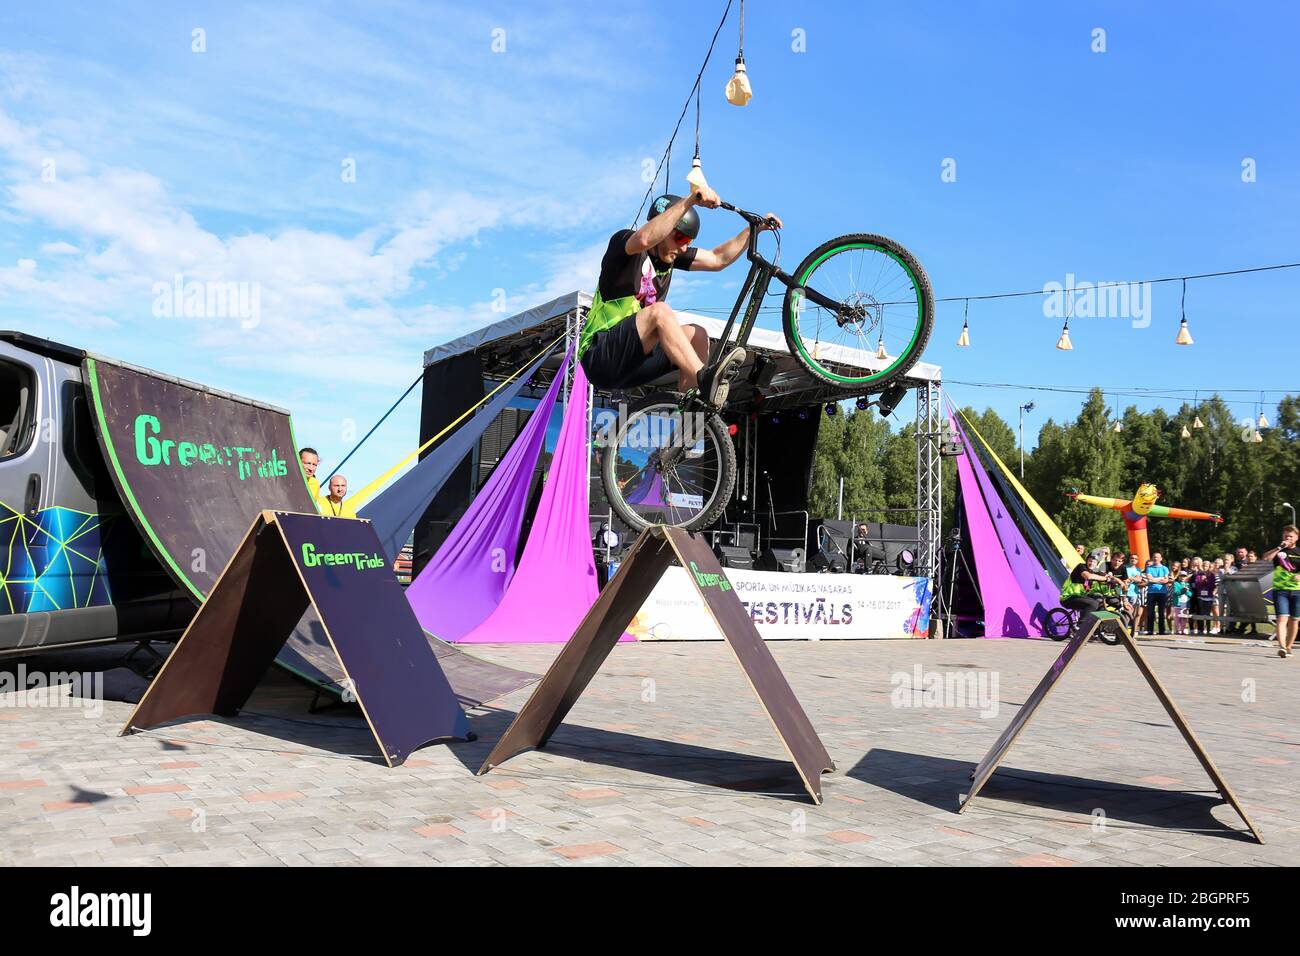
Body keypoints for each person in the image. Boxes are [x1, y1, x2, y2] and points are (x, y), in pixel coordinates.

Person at [578, 189, 782, 406]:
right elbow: (646, 238)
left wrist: (755, 229)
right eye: (680, 238)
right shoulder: (624, 243)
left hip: (632, 365)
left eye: (689, 240)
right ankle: (705, 380)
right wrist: (690, 201)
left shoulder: (672, 256)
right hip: (600, 358)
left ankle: (692, 414)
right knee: (660, 312)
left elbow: (718, 259)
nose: (684, 247)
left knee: (697, 334)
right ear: (664, 227)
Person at [1262, 525, 1300, 658]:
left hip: (1297, 590)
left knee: (1294, 620)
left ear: (1296, 538)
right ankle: (1282, 647)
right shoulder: (1278, 551)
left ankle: (1289, 646)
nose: (1288, 538)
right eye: (1285, 536)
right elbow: (1266, 558)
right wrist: (1279, 547)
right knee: (1281, 618)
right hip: (1280, 590)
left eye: (1290, 536)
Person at [1145, 552, 1171, 635]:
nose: (1156, 559)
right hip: (1151, 592)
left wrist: (1155, 579)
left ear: (1161, 558)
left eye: (1157, 557)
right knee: (1150, 612)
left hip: (1162, 592)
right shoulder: (1149, 568)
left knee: (1161, 612)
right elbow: (1149, 579)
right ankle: (1150, 630)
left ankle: (1162, 630)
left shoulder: (1165, 568)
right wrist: (1160, 579)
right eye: (1154, 557)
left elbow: (1166, 580)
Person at [1124, 552, 1147, 634]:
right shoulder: (1124, 568)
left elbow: (1140, 580)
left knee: (1132, 613)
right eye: (1132, 558)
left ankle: (1129, 630)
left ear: (1137, 561)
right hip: (1125, 592)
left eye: (1135, 559)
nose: (1133, 560)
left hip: (1134, 593)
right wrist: (1134, 578)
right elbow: (1125, 578)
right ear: (1129, 559)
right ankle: (1124, 629)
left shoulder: (1138, 570)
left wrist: (1131, 579)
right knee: (1125, 612)